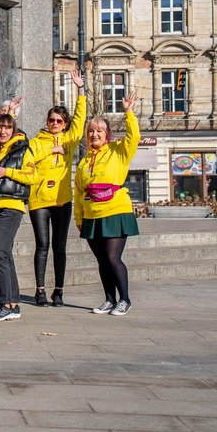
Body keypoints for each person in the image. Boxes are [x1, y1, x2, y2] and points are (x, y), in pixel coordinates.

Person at [75, 91, 141, 317]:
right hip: (92, 215)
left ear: (107, 134)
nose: (94, 134)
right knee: (102, 261)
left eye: (99, 131)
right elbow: (78, 193)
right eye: (91, 131)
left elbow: (134, 137)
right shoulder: (84, 162)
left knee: (113, 258)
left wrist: (128, 112)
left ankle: (125, 299)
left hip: (115, 211)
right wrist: (79, 219)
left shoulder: (118, 151)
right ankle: (109, 299)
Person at [28, 68, 86, 307]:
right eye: (51, 120)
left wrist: (80, 90)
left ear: (65, 124)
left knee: (59, 246)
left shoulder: (70, 140)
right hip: (39, 200)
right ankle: (40, 290)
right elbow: (29, 160)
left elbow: (80, 121)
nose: (54, 123)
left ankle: (58, 291)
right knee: (42, 245)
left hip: (62, 200)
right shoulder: (36, 141)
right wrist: (50, 149)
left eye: (59, 121)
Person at [0, 113, 37, 322]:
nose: (2, 131)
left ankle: (3, 304)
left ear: (13, 130)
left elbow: (32, 176)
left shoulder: (22, 149)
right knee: (4, 256)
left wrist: (6, 172)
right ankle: (13, 304)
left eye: (7, 127)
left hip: (11, 206)